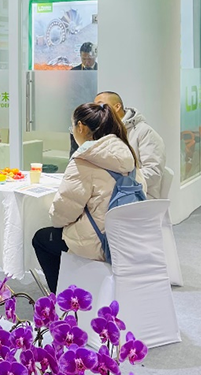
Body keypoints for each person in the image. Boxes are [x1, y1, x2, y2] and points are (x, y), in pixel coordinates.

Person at [32, 102, 139, 292]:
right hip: (130, 237)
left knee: (42, 238)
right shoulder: (127, 154)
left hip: (100, 243)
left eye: (72, 127)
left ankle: (62, 299)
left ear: (80, 127)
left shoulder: (84, 161)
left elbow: (62, 214)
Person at [94, 91, 166, 200]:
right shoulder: (102, 132)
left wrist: (119, 183)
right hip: (111, 194)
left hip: (139, 196)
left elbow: (153, 171)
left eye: (100, 105)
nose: (97, 111)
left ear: (117, 107)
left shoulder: (144, 132)